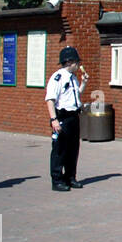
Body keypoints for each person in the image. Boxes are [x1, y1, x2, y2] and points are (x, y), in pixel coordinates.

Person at [45, 45, 88, 192]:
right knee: (59, 150)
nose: (78, 65)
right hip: (62, 116)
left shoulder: (73, 78)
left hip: (73, 116)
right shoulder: (58, 78)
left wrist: (84, 84)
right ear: (69, 62)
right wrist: (53, 119)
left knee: (73, 149)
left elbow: (75, 95)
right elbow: (50, 99)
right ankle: (57, 180)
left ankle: (70, 177)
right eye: (76, 62)